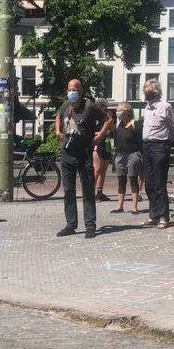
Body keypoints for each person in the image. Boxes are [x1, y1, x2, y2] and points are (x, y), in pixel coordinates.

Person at [54, 78, 109, 238]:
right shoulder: (65, 104)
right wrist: (58, 132)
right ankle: (71, 224)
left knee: (87, 191)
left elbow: (109, 120)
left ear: (81, 91)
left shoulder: (89, 106)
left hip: (84, 154)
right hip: (67, 154)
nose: (72, 92)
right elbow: (58, 116)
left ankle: (90, 225)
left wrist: (98, 137)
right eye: (70, 89)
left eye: (75, 89)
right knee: (68, 190)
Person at [140, 78, 174, 229]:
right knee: (149, 184)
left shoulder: (165, 106)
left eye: (148, 90)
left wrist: (167, 142)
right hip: (146, 146)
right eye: (144, 90)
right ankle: (153, 214)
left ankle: (164, 216)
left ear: (156, 91)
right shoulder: (147, 108)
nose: (145, 93)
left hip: (160, 146)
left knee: (159, 184)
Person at [110, 103, 142, 215]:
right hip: (120, 155)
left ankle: (134, 207)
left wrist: (140, 156)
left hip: (133, 154)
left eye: (119, 110)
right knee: (121, 180)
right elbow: (116, 141)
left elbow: (140, 142)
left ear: (126, 111)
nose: (117, 112)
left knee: (133, 179)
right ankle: (120, 206)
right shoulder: (119, 124)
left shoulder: (135, 124)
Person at [92, 99, 113, 202]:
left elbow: (112, 129)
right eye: (104, 106)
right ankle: (90, 192)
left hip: (107, 142)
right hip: (98, 143)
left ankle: (99, 192)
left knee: (104, 169)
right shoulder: (94, 117)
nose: (106, 108)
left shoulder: (107, 117)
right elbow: (90, 131)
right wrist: (100, 133)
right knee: (97, 169)